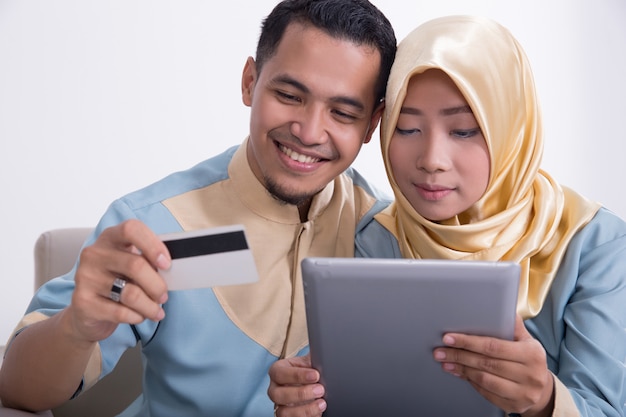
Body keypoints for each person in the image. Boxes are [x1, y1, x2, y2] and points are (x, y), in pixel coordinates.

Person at [0, 1, 396, 416]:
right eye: (289, 95)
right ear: (249, 82)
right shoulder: (157, 224)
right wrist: (75, 327)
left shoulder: (386, 234)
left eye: (343, 112)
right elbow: (19, 390)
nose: (310, 132)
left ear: (372, 124)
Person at [268, 15, 626, 417]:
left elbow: (606, 407)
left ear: (512, 128)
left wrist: (545, 402)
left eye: (463, 131)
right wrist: (305, 403)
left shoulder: (596, 245)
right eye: (405, 129)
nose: (431, 161)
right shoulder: (373, 237)